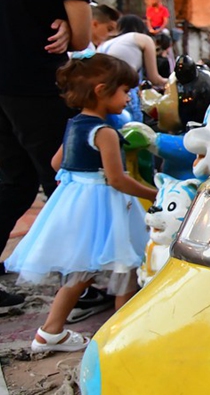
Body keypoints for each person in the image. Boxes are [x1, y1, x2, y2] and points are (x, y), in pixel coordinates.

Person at [0, 0, 123, 308]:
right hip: (35, 84)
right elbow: (84, 40)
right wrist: (73, 27)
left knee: (14, 182)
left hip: (2, 87)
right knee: (69, 180)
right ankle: (80, 283)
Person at [5, 52, 156, 353]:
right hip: (104, 207)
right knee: (125, 268)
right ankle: (120, 336)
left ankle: (51, 331)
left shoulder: (73, 124)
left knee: (81, 273)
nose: (129, 98)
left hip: (76, 204)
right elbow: (116, 178)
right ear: (102, 91)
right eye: (125, 91)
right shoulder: (105, 132)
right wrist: (154, 194)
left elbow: (55, 162)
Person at [99, 14, 168, 121]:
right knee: (133, 132)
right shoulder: (144, 39)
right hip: (123, 94)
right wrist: (172, 82)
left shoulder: (105, 44)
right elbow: (154, 78)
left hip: (101, 96)